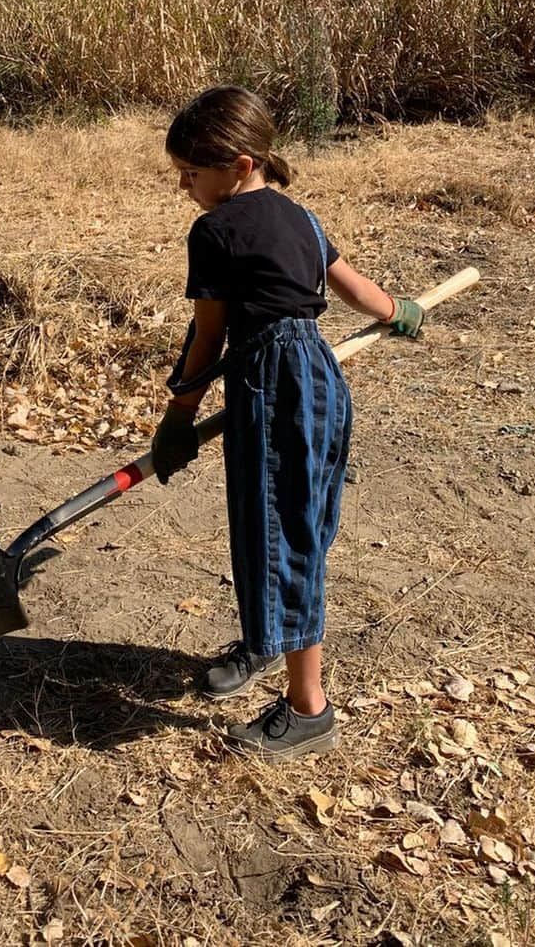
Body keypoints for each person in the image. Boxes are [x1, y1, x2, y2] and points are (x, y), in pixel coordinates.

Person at [152, 86, 423, 761]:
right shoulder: (302, 218)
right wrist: (400, 310)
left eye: (192, 171)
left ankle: (310, 710)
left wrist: (178, 417)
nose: (183, 183)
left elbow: (207, 336)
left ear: (240, 165)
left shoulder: (213, 232)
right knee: (286, 525)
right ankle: (265, 642)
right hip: (318, 378)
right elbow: (353, 286)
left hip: (273, 384)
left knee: (284, 534)